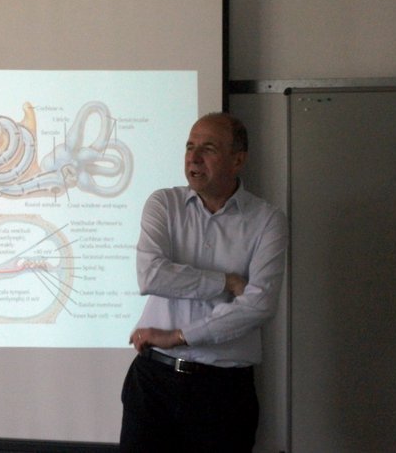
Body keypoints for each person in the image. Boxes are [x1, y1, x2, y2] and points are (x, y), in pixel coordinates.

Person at [120, 112, 288, 452]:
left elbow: (259, 305)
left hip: (223, 391)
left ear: (237, 160)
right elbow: (151, 275)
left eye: (208, 149)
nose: (193, 158)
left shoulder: (267, 220)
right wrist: (225, 282)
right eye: (189, 147)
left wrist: (179, 336)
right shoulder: (164, 204)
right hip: (154, 382)